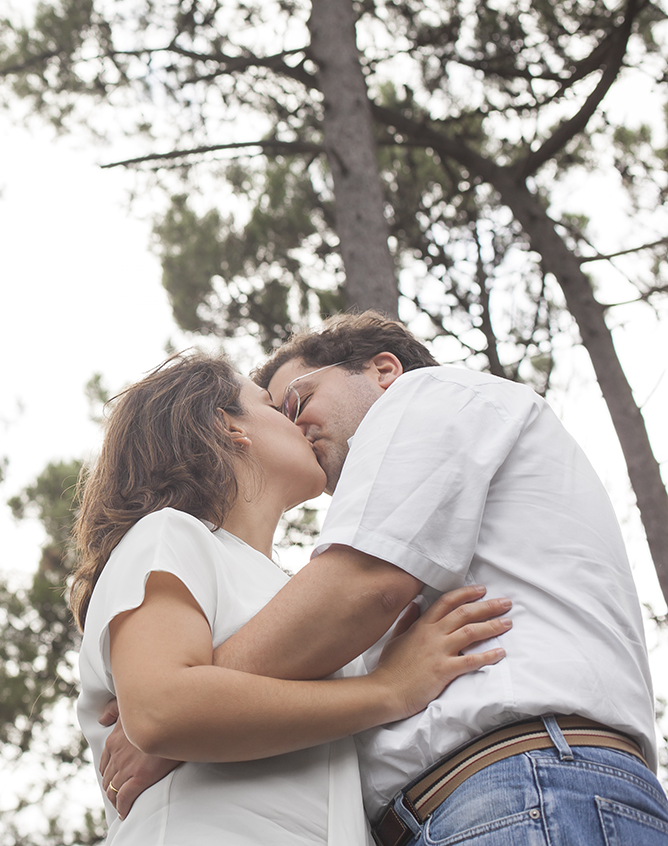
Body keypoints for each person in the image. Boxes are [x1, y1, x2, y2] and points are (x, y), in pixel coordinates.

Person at [99, 313, 666, 846]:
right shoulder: (200, 549)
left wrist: (180, 723)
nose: (296, 423)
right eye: (276, 409)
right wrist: (180, 713)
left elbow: (361, 587)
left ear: (383, 371)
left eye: (299, 399)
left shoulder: (428, 395)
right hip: (496, 796)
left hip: (520, 785)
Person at [73, 350, 512, 845]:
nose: (297, 421)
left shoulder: (280, 589)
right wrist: (389, 690)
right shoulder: (167, 534)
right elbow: (161, 710)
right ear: (227, 426)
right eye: (272, 406)